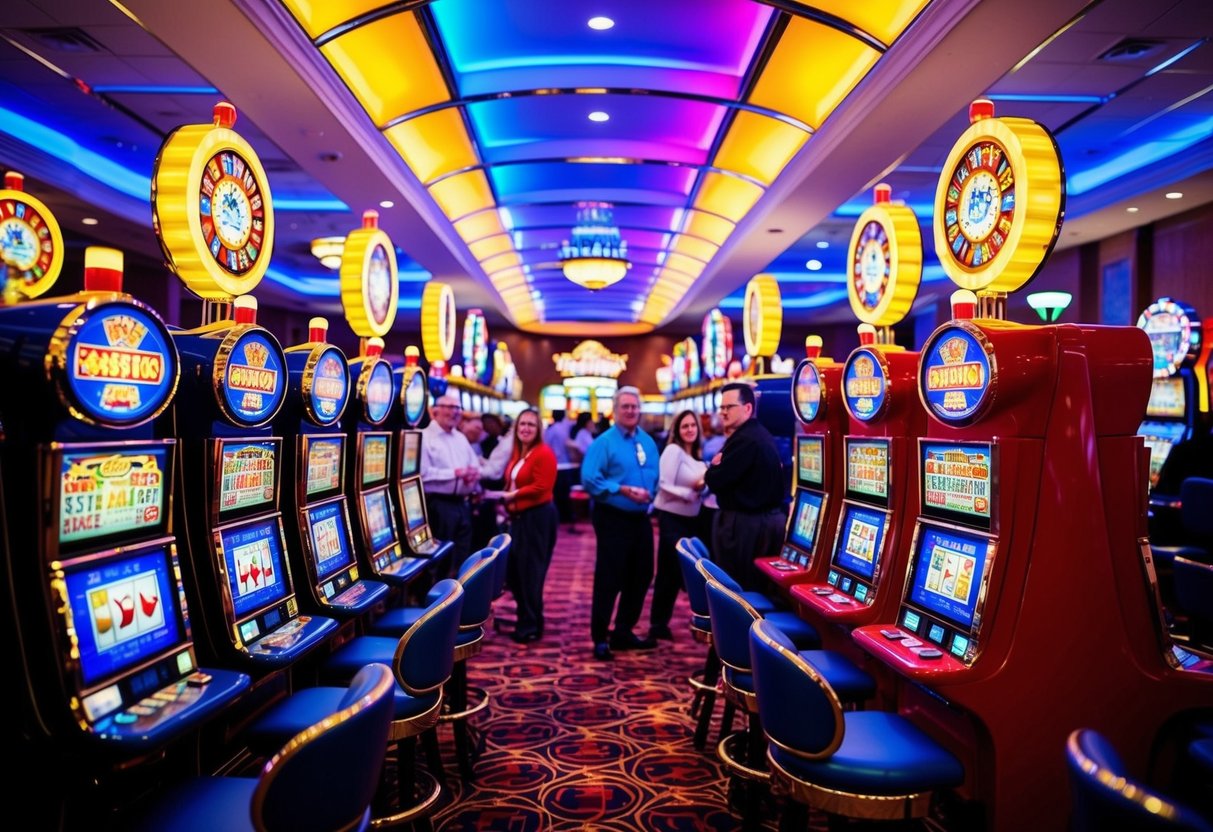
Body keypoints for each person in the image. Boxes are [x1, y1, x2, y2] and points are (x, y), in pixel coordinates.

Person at [580, 386, 660, 661]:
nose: (630, 411)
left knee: (642, 574)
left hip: (641, 517)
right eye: (625, 406)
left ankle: (623, 630)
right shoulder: (604, 442)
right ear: (615, 411)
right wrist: (621, 490)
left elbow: (654, 476)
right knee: (610, 577)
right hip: (612, 516)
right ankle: (600, 636)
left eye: (634, 406)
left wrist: (652, 495)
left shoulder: (647, 442)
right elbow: (589, 479)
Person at [703, 382, 786, 588]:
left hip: (748, 526)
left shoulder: (746, 440)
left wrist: (713, 468)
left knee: (737, 590)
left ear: (747, 408)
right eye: (721, 407)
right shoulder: (751, 434)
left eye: (728, 407)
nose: (723, 412)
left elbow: (715, 480)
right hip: (755, 522)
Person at [499, 408, 558, 643]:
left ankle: (531, 625)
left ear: (538, 430)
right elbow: (513, 481)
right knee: (516, 574)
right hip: (520, 518)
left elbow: (542, 487)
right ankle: (527, 618)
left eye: (531, 425)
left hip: (538, 519)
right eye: (522, 424)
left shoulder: (544, 453)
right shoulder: (520, 452)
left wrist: (511, 496)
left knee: (530, 573)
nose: (525, 429)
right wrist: (504, 498)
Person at [649, 409, 706, 641]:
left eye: (693, 425)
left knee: (682, 572)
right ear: (677, 430)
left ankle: (692, 621)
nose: (690, 429)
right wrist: (689, 494)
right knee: (669, 572)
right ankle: (657, 624)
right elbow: (662, 484)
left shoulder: (698, 457)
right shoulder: (673, 451)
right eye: (685, 426)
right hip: (672, 518)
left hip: (693, 519)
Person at [420, 393, 481, 576]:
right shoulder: (424, 437)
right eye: (449, 407)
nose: (454, 412)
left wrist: (472, 473)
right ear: (435, 410)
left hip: (462, 503)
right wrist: (454, 474)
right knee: (440, 562)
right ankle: (438, 601)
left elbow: (475, 464)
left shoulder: (459, 437)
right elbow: (422, 475)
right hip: (438, 505)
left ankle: (457, 598)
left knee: (462, 557)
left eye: (457, 408)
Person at [544, 410, 576, 528]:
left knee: (557, 494)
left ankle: (559, 518)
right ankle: (566, 517)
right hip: (566, 464)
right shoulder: (565, 428)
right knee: (565, 494)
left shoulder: (551, 430)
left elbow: (546, 445)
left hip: (556, 465)